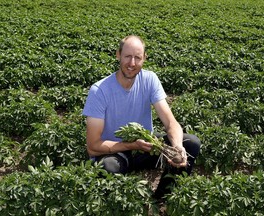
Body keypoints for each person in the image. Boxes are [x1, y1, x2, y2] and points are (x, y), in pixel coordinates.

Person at [82, 35, 201, 199]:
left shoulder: (150, 79)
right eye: (127, 56)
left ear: (144, 58)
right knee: (107, 168)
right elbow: (93, 146)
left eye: (137, 58)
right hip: (114, 150)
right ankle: (123, 206)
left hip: (145, 147)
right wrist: (130, 145)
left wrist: (178, 147)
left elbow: (170, 122)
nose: (132, 63)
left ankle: (161, 199)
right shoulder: (100, 91)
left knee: (191, 144)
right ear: (118, 55)